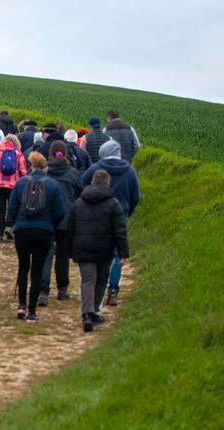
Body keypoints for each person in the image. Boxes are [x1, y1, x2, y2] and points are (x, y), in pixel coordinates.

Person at [68, 170, 129, 332]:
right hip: (104, 249)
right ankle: (94, 310)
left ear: (92, 182)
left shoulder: (79, 202)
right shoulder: (113, 203)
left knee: (88, 280)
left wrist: (68, 250)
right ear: (108, 184)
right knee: (102, 280)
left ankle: (87, 313)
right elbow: (120, 231)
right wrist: (123, 253)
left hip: (83, 248)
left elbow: (70, 228)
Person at [7, 152, 65, 323]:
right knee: (37, 270)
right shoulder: (53, 185)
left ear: (31, 166)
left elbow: (12, 209)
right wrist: (51, 226)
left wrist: (18, 222)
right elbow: (60, 211)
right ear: (45, 167)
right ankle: (32, 310)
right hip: (44, 232)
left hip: (23, 231)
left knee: (23, 267)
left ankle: (21, 305)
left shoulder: (21, 183)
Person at [82, 140, 140, 306]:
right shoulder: (129, 170)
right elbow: (136, 195)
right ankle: (113, 290)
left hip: (96, 215)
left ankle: (94, 284)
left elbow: (81, 184)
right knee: (116, 254)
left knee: (97, 249)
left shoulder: (96, 168)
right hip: (121, 214)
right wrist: (128, 211)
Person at [38, 141, 84, 306]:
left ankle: (43, 291)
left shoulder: (45, 173)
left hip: (46, 219)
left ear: (50, 153)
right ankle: (62, 288)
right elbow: (81, 193)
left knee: (45, 255)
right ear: (65, 153)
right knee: (63, 255)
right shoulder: (72, 173)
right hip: (66, 219)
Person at [0, 133, 27, 240]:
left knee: (0, 208)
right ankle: (9, 227)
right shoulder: (18, 153)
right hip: (13, 185)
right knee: (12, 207)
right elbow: (23, 171)